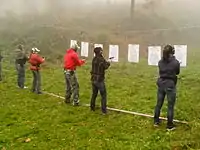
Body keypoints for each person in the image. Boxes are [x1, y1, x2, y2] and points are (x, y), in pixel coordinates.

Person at [154, 44, 180, 131]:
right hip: (170, 84)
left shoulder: (160, 62)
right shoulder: (175, 62)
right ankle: (169, 125)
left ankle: (156, 121)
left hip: (161, 84)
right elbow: (177, 72)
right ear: (172, 52)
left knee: (159, 104)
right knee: (170, 106)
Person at [90, 47, 111, 115]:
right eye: (101, 50)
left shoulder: (94, 59)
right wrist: (108, 62)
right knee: (103, 95)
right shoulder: (101, 59)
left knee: (94, 94)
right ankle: (104, 111)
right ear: (100, 52)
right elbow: (105, 67)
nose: (102, 51)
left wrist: (106, 61)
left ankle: (92, 108)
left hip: (93, 79)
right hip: (99, 80)